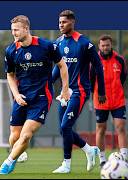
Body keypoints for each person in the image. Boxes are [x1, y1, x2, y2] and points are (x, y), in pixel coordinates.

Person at [0, 15, 70, 175]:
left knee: (26, 134)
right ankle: (18, 152)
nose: (13, 33)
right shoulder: (11, 50)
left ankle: (6, 165)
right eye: (12, 30)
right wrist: (16, 95)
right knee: (14, 137)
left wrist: (65, 89)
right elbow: (10, 75)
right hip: (21, 97)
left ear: (26, 29)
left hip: (41, 98)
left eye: (16, 30)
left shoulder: (46, 46)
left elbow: (62, 66)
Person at [51, 10, 106, 173]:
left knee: (66, 126)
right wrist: (47, 84)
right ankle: (90, 150)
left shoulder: (84, 43)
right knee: (63, 129)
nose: (61, 25)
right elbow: (58, 68)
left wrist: (101, 91)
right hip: (64, 92)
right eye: (60, 22)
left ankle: (66, 165)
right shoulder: (59, 42)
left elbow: (98, 67)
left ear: (72, 22)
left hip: (80, 91)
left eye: (64, 22)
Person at [90, 34, 127, 167]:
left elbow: (123, 77)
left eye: (107, 45)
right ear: (99, 46)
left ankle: (124, 158)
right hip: (101, 101)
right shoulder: (94, 62)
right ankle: (102, 159)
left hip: (118, 100)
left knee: (121, 127)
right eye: (103, 45)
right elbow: (91, 80)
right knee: (101, 129)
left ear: (111, 45)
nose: (105, 47)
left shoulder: (119, 59)